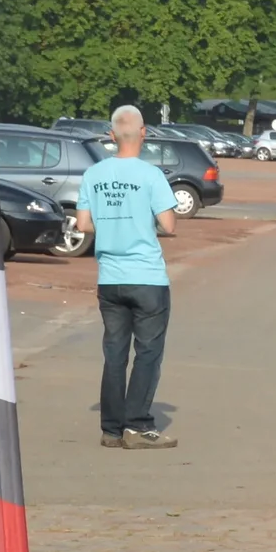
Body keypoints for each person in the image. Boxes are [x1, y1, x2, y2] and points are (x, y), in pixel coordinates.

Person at [74, 105, 178, 449]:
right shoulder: (151, 176)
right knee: (148, 352)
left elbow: (84, 224)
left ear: (111, 135)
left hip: (110, 277)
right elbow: (169, 224)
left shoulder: (94, 174)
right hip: (146, 275)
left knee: (114, 352)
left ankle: (112, 428)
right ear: (144, 133)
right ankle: (137, 424)